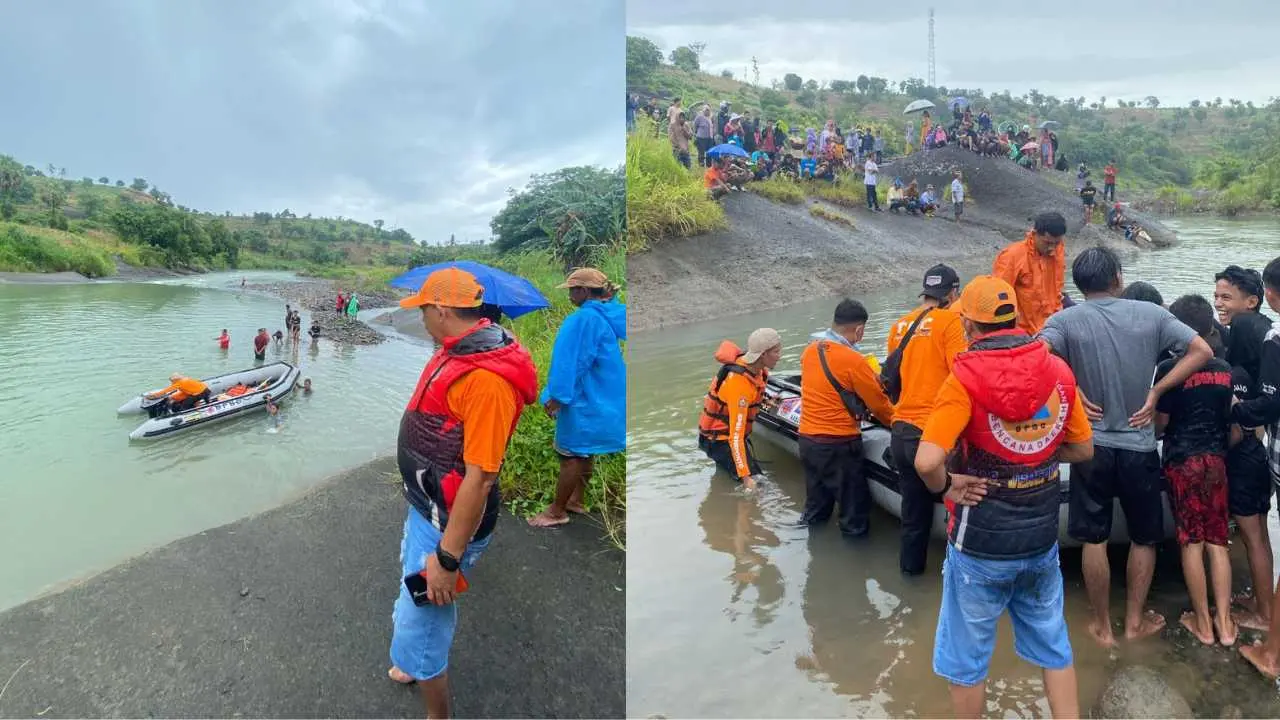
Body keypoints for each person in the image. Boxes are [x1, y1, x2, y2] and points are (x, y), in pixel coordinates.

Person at [914, 275, 1093, 720]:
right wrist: (1040, 456)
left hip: (981, 546)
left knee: (967, 660)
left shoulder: (963, 379)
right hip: (1041, 540)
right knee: (1054, 645)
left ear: (971, 327)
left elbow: (925, 461)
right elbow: (1084, 449)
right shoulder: (1058, 371)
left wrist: (948, 484)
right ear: (1014, 318)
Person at [1038, 246, 1212, 647]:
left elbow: (1035, 358)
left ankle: (1102, 628)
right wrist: (1157, 391)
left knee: (1093, 538)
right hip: (1139, 444)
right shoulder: (1150, 314)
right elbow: (1201, 350)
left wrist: (1074, 392)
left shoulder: (1064, 320)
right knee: (1144, 537)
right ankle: (1134, 623)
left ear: (1078, 284)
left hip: (1089, 446)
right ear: (1118, 278)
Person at [387, 267, 539, 716]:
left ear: (442, 310)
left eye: (424, 313)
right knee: (411, 580)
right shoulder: (457, 350)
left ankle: (438, 712)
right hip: (427, 506)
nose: (421, 322)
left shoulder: (487, 382)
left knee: (425, 621)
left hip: (447, 524)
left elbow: (481, 478)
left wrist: (448, 560)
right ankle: (412, 662)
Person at [1155, 294, 1236, 646]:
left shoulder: (1169, 370)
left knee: (1191, 542)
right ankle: (1227, 625)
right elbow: (1232, 422)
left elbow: (1160, 425)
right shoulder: (1224, 370)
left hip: (1182, 462)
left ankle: (1203, 624)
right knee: (1217, 541)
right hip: (1215, 462)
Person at [529, 268, 627, 529]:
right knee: (585, 450)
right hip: (600, 395)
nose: (570, 294)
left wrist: (558, 396)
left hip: (582, 396)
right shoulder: (607, 314)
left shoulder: (583, 319)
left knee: (570, 453)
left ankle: (556, 511)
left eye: (572, 289)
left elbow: (572, 362)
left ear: (583, 291)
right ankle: (577, 500)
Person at [886, 265, 967, 575]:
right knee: (958, 505)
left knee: (913, 514)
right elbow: (961, 374)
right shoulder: (951, 323)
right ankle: (959, 579)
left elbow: (896, 378)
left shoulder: (898, 327)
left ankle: (911, 576)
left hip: (900, 430)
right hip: (933, 435)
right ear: (953, 293)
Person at [797, 300, 895, 537]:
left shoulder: (810, 350)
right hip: (838, 444)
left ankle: (815, 550)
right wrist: (900, 423)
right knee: (854, 511)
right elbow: (879, 405)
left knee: (816, 505)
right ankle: (856, 559)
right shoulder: (854, 360)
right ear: (859, 329)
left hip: (807, 439)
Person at [1213, 265, 1275, 630]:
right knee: (1260, 533)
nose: (1219, 303)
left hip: (1247, 450)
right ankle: (1262, 599)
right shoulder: (1256, 326)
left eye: (1227, 298)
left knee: (1253, 536)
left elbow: (1248, 386)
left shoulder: (1249, 329)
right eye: (1217, 295)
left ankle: (1265, 615)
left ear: (1252, 301)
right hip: (1259, 445)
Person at [1235, 256, 1280, 678]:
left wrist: (1235, 410)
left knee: (1264, 539)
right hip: (1266, 452)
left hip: (1273, 454)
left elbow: (1270, 403)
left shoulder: (1274, 338)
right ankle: (1265, 609)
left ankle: (1270, 646)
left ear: (1265, 294)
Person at [697, 328, 782, 492]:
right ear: (763, 354)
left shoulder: (756, 369)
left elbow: (752, 395)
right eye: (776, 352)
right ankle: (744, 515)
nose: (780, 355)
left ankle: (720, 493)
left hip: (723, 435)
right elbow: (735, 436)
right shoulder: (739, 384)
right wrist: (746, 477)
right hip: (718, 439)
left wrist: (766, 401)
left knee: (727, 477)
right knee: (759, 486)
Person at [992, 211, 1067, 335]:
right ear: (1034, 233)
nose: (1052, 248)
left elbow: (1058, 287)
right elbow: (999, 298)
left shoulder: (1058, 250)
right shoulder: (1012, 256)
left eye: (1056, 243)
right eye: (1047, 243)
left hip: (1052, 326)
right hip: (1023, 332)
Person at [146, 373, 212, 413]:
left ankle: (186, 413)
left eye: (172, 381)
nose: (171, 382)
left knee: (185, 405)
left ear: (175, 380)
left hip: (201, 393)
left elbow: (166, 390)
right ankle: (197, 405)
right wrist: (172, 397)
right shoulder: (185, 379)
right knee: (176, 397)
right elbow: (185, 391)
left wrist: (154, 395)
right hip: (203, 391)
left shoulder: (179, 383)